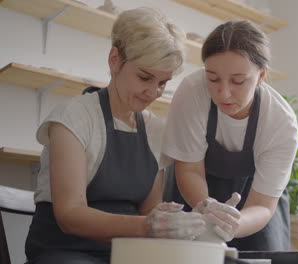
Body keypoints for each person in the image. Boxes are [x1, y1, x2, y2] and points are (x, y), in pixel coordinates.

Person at [25, 8, 205, 264]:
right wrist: (147, 226)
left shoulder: (157, 131)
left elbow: (148, 213)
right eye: (145, 77)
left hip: (125, 254)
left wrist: (172, 222)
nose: (153, 91)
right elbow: (70, 215)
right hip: (64, 252)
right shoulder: (73, 117)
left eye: (163, 83)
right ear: (114, 59)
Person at [162, 20, 298, 251]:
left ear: (261, 76)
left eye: (238, 81)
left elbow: (263, 205)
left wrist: (234, 223)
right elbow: (190, 169)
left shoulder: (280, 122)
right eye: (213, 79)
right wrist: (206, 206)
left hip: (257, 195)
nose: (223, 93)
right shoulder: (193, 92)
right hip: (197, 184)